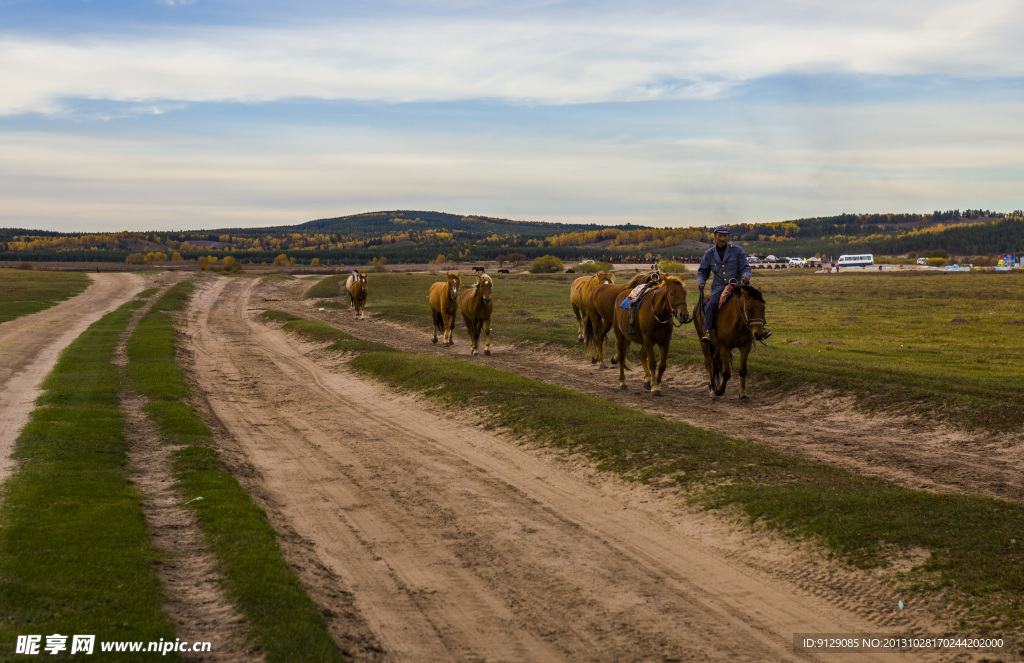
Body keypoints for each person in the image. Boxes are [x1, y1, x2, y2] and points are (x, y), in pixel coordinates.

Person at [696, 225, 751, 346]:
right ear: (715, 236)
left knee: (755, 301)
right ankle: (709, 331)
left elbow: (746, 267)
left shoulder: (738, 251)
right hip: (719, 287)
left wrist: (746, 276)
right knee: (711, 305)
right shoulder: (709, 253)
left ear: (728, 237)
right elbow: (702, 271)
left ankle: (759, 330)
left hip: (737, 285)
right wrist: (701, 282)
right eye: (720, 235)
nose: (723, 238)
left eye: (725, 236)